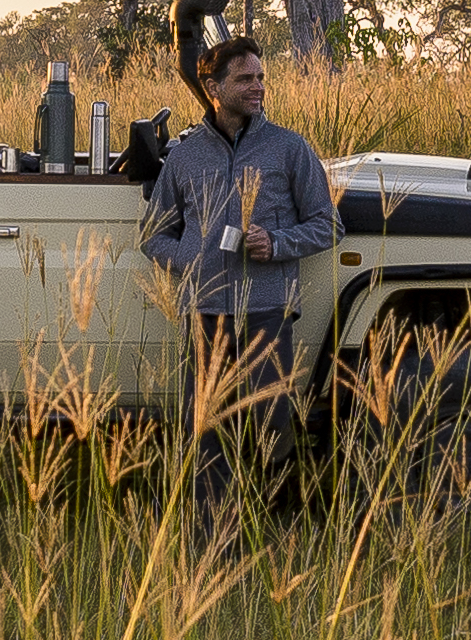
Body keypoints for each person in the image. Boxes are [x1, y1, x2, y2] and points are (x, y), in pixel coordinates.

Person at [143, 26, 335, 537]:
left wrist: (276, 243)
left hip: (267, 312)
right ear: (213, 87)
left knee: (271, 422)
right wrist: (189, 256)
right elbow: (153, 235)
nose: (257, 87)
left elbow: (328, 224)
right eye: (245, 78)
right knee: (204, 429)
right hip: (205, 313)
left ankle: (277, 528)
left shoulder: (289, 149)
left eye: (261, 78)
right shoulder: (184, 156)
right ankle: (211, 536)